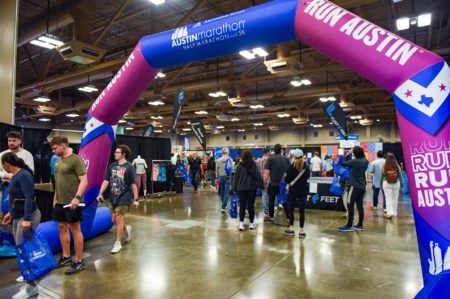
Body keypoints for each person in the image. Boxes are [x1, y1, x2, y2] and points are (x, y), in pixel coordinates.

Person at [1, 153, 41, 299]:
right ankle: (27, 276)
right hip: (17, 217)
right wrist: (11, 213)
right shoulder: (16, 175)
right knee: (20, 250)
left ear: (6, 164)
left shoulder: (23, 175)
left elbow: (29, 198)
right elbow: (17, 198)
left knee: (24, 250)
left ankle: (31, 288)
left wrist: (27, 219)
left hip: (27, 217)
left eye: (2, 165)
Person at [50, 136, 87, 275]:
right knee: (61, 227)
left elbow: (84, 181)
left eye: (55, 148)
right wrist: (55, 197)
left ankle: (79, 260)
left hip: (73, 201)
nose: (53, 151)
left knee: (75, 229)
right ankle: (66, 257)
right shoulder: (58, 161)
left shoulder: (76, 160)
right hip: (60, 201)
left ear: (63, 146)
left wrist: (77, 198)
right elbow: (58, 181)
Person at [97, 145, 139, 254]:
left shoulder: (129, 167)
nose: (115, 154)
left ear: (124, 154)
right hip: (112, 196)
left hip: (124, 196)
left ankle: (118, 243)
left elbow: (133, 184)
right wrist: (100, 193)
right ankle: (127, 229)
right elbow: (106, 180)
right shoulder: (111, 166)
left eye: (117, 152)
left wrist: (136, 199)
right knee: (114, 220)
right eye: (115, 152)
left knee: (119, 218)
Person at [338, 146, 369, 232]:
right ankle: (360, 225)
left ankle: (349, 225)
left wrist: (345, 155)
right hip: (362, 186)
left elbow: (343, 163)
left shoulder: (354, 161)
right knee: (359, 206)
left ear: (355, 154)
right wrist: (353, 152)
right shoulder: (366, 161)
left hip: (354, 186)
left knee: (349, 204)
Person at [233, 151, 264, 231]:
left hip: (241, 189)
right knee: (251, 206)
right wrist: (262, 186)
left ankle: (241, 224)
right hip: (251, 188)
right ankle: (251, 223)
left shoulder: (239, 166)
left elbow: (236, 178)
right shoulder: (254, 165)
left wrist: (235, 188)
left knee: (242, 206)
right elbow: (259, 176)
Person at [284, 149, 310, 238]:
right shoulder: (307, 166)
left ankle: (291, 228)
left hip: (293, 190)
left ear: (294, 156)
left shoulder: (291, 166)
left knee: (291, 209)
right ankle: (301, 231)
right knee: (301, 210)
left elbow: (286, 179)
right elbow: (308, 177)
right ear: (302, 156)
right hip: (303, 190)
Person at [264, 144, 290, 223]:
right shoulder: (286, 159)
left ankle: (271, 217)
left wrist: (265, 183)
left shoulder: (270, 159)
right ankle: (289, 218)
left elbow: (266, 173)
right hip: (283, 184)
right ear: (281, 150)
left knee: (271, 201)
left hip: (273, 184)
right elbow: (290, 171)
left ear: (274, 150)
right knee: (284, 201)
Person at [381, 153, 404, 219]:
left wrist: (380, 184)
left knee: (388, 198)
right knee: (395, 199)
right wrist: (402, 185)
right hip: (396, 183)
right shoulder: (397, 166)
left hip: (386, 183)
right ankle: (394, 213)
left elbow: (381, 177)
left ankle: (390, 213)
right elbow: (400, 176)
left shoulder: (384, 166)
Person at [216, 147, 233, 214]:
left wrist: (216, 178)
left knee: (222, 192)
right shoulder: (230, 159)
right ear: (227, 152)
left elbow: (216, 169)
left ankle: (224, 205)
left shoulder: (218, 160)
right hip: (228, 177)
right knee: (226, 192)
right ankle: (223, 207)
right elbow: (232, 167)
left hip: (221, 177)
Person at [256, 149, 270, 216]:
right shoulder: (270, 160)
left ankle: (265, 211)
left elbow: (256, 169)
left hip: (262, 179)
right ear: (267, 153)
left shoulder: (259, 160)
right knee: (270, 195)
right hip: (269, 179)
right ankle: (271, 209)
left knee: (264, 195)